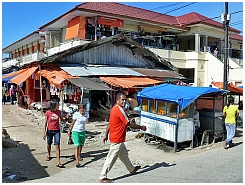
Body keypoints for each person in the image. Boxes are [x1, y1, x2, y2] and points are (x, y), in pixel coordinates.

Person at [99, 92, 147, 183]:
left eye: (125, 99)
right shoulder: (119, 109)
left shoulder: (114, 109)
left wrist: (106, 134)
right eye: (122, 100)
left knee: (124, 155)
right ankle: (102, 176)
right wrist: (141, 127)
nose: (124, 101)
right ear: (117, 100)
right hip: (117, 138)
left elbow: (110, 123)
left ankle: (131, 169)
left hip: (118, 137)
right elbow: (128, 123)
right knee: (111, 158)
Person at [42, 99, 68, 168]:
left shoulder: (59, 112)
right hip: (49, 131)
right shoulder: (47, 112)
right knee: (49, 144)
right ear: (53, 106)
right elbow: (45, 123)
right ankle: (49, 155)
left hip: (57, 131)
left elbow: (61, 119)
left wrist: (67, 123)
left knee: (57, 145)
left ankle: (58, 161)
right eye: (57, 105)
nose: (58, 106)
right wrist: (44, 133)